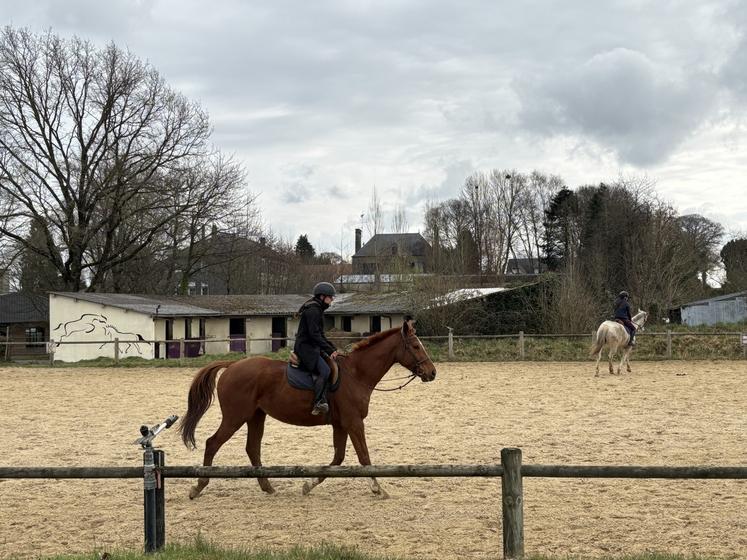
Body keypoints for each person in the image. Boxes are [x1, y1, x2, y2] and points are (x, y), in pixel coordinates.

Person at [294, 281, 339, 415]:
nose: (331, 300)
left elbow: (320, 334)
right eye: (330, 297)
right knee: (325, 370)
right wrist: (329, 350)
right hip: (305, 348)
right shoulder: (313, 311)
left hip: (311, 346)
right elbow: (314, 335)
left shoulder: (317, 309)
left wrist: (332, 348)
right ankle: (318, 402)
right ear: (322, 297)